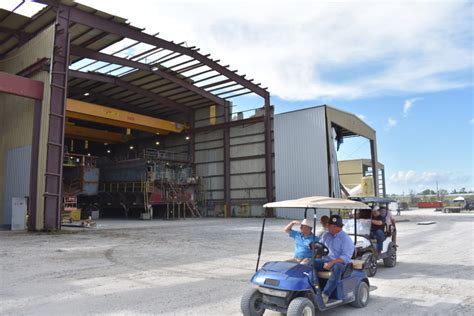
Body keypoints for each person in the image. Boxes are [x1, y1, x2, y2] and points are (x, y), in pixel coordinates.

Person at [313, 215, 355, 304]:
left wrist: (332, 263)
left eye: (330, 226)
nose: (327, 227)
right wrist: (314, 245)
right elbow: (320, 245)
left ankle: (325, 294)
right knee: (310, 262)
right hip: (325, 261)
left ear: (336, 227)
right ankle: (311, 288)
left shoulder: (346, 239)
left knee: (337, 267)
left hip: (338, 263)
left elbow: (346, 257)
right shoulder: (326, 235)